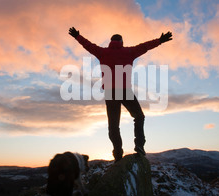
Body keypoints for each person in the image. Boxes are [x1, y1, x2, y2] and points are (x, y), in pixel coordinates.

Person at [69, 27, 173, 162]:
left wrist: (77, 36)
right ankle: (139, 145)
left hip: (110, 93)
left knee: (113, 125)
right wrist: (160, 40)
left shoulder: (102, 52)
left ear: (111, 41)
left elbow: (88, 46)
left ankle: (118, 153)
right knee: (139, 116)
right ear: (121, 42)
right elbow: (145, 46)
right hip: (124, 91)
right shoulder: (129, 51)